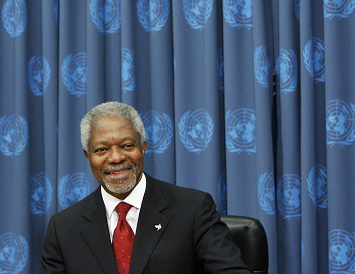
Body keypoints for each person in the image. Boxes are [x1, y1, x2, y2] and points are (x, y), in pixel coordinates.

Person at [39, 101, 253, 274]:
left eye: (127, 146)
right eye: (102, 149)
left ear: (143, 147)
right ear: (88, 156)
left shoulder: (193, 210)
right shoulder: (63, 229)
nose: (116, 158)